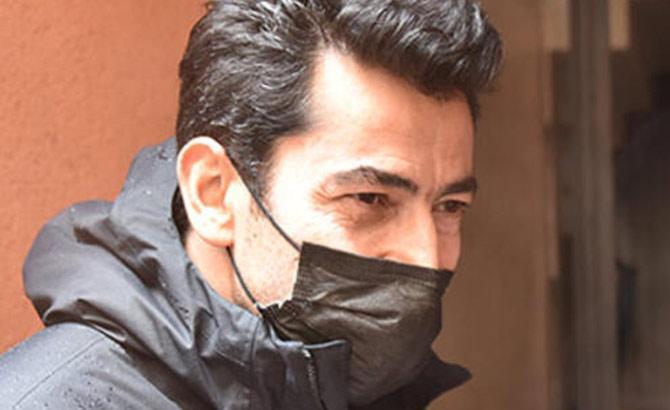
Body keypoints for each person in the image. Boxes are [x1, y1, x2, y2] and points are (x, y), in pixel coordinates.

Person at [0, 0, 503, 408]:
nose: (427, 257)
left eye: (450, 207)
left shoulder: (362, 383)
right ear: (214, 194)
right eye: (369, 198)